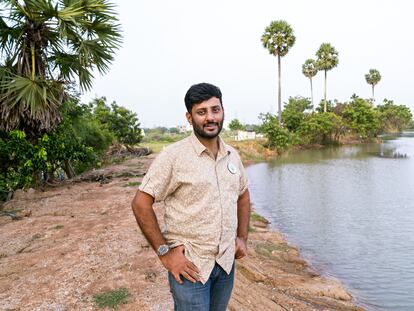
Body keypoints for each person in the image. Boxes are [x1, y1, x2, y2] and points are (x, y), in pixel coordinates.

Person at [131, 82, 251, 311]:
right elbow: (140, 203)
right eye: (201, 112)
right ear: (189, 117)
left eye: (215, 109)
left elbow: (243, 195)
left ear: (223, 111)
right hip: (190, 266)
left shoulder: (232, 155)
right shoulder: (173, 156)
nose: (210, 117)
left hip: (226, 263)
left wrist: (242, 238)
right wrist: (165, 253)